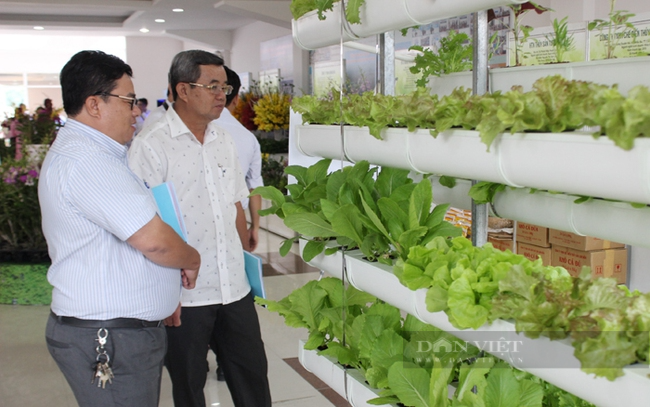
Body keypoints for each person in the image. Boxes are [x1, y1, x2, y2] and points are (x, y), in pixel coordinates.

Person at [39, 50, 201, 407]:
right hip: (109, 339)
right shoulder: (89, 161)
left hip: (114, 333)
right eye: (129, 101)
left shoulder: (90, 153)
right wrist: (190, 258)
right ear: (94, 105)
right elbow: (155, 241)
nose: (137, 110)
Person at [128, 50, 272, 407]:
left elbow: (235, 201)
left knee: (253, 377)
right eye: (211, 86)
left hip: (233, 287)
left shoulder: (223, 139)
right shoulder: (151, 145)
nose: (221, 94)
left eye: (223, 86)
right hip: (185, 297)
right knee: (189, 386)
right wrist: (163, 294)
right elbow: (144, 228)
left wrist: (244, 249)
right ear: (183, 90)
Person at [210, 65, 264, 381]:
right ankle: (226, 362)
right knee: (234, 293)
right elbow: (254, 187)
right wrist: (254, 227)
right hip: (236, 223)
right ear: (237, 95)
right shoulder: (246, 137)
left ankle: (199, 353)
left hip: (199, 226)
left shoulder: (198, 130)